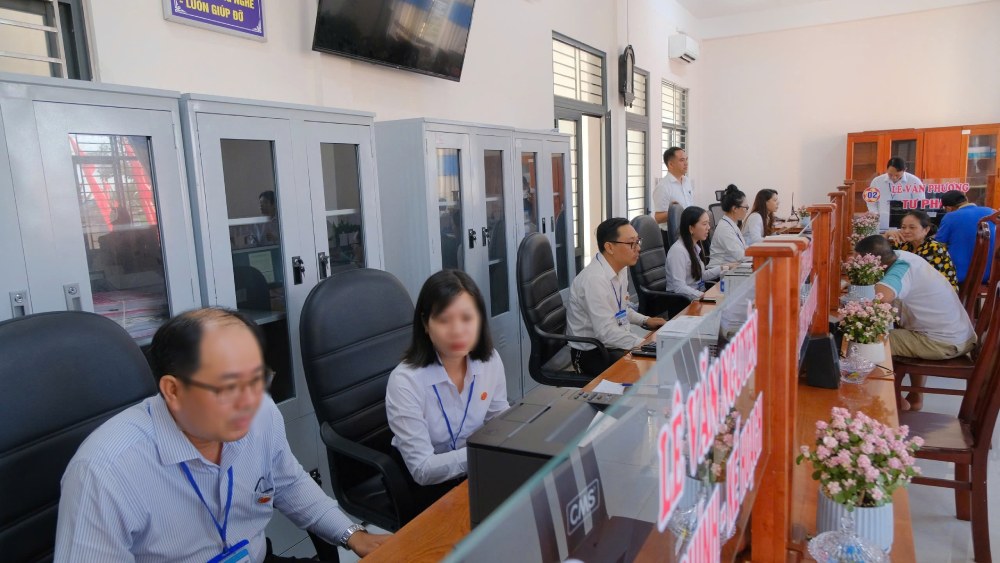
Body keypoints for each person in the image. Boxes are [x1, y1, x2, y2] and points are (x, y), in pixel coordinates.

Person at [55, 308, 390, 561]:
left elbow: (288, 482)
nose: (249, 400)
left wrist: (353, 535)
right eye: (229, 386)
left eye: (257, 378)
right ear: (172, 389)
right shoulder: (104, 471)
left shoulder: (260, 412)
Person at [385, 270, 509, 489]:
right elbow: (423, 469)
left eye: (467, 318)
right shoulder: (405, 382)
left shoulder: (489, 361)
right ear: (425, 324)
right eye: (444, 320)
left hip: (476, 471)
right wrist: (482, 454)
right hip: (425, 486)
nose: (457, 331)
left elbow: (499, 421)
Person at [856, 236, 976, 412]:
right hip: (958, 335)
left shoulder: (900, 271)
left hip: (943, 342)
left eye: (860, 259)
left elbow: (881, 299)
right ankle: (914, 397)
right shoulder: (902, 256)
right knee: (894, 331)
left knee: (869, 342)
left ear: (873, 261)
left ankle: (892, 402)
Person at [566, 218, 667, 376]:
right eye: (631, 243)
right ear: (610, 247)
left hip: (612, 343)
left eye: (638, 241)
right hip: (591, 353)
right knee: (650, 366)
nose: (638, 248)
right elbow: (606, 334)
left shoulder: (620, 268)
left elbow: (621, 309)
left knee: (656, 358)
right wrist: (645, 344)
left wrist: (645, 320)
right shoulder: (594, 280)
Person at [666, 206, 740, 299]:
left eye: (708, 224)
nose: (708, 228)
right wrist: (704, 296)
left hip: (698, 296)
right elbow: (679, 287)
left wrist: (726, 267)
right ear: (691, 228)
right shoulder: (678, 251)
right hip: (685, 303)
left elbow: (702, 276)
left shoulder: (694, 247)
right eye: (704, 224)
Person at [885, 210, 959, 290]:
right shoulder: (904, 244)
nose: (906, 231)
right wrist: (886, 235)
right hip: (915, 290)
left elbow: (925, 281)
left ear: (926, 230)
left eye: (912, 227)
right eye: (903, 227)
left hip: (940, 294)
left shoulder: (934, 248)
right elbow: (880, 255)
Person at [935, 189, 995, 285]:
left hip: (960, 275)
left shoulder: (950, 216)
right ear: (966, 199)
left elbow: (938, 245)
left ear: (948, 208)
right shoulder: (991, 212)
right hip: (992, 275)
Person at [866, 157, 924, 231]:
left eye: (897, 175)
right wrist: (875, 216)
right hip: (881, 224)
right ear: (887, 169)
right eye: (890, 174)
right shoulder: (877, 181)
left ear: (904, 170)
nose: (893, 177)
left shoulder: (915, 181)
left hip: (905, 226)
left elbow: (919, 205)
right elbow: (871, 202)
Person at [652, 147, 693, 248]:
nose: (686, 163)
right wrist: (676, 211)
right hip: (671, 235)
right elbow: (658, 218)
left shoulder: (687, 181)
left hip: (687, 232)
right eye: (682, 160)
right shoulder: (663, 187)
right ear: (670, 164)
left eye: (686, 159)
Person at [709, 185, 749, 268]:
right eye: (746, 207)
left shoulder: (731, 224)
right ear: (735, 208)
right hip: (720, 273)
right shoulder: (725, 229)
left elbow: (744, 249)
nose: (747, 211)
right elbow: (741, 256)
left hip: (732, 267)